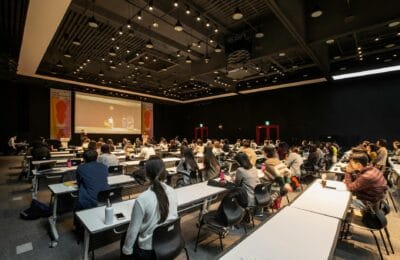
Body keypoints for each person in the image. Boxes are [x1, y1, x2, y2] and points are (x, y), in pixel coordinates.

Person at [122, 156, 178, 259]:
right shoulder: (172, 191)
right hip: (171, 241)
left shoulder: (142, 199)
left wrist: (127, 252)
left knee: (126, 236)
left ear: (146, 174)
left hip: (149, 250)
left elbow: (133, 230)